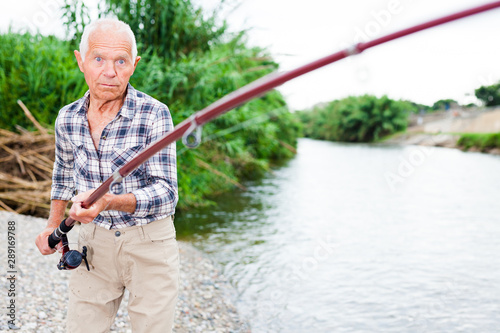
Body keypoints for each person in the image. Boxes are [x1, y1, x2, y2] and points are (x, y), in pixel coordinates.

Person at [35, 18, 179, 333]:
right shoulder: (67, 118)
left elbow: (167, 194)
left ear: (134, 64)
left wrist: (109, 201)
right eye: (99, 59)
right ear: (80, 61)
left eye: (121, 61)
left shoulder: (155, 114)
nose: (110, 72)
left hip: (149, 242)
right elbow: (63, 177)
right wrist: (51, 226)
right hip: (92, 244)